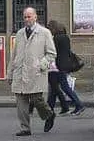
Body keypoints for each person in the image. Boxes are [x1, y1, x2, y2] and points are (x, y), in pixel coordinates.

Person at [6, 7, 56, 135]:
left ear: (35, 17)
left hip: (36, 72)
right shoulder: (20, 33)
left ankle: (49, 115)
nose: (27, 19)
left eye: (29, 16)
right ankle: (25, 128)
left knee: (36, 99)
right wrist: (10, 73)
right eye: (25, 17)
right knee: (21, 102)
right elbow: (14, 55)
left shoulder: (44, 33)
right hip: (20, 72)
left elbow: (51, 53)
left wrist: (42, 64)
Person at [46, 20, 85, 116]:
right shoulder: (65, 37)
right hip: (64, 65)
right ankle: (60, 108)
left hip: (58, 66)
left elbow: (53, 51)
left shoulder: (56, 38)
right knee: (54, 88)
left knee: (63, 87)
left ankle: (79, 105)